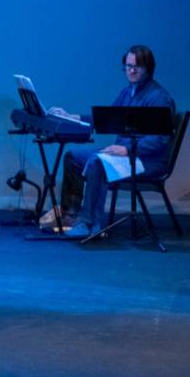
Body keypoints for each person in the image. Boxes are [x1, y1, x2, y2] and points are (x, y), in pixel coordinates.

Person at [52, 45, 176, 237]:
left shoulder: (159, 97)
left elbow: (160, 138)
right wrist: (71, 116)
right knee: (73, 157)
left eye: (137, 66)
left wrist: (128, 151)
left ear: (149, 68)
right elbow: (105, 120)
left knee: (97, 162)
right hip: (124, 155)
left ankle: (90, 224)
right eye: (128, 66)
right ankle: (71, 216)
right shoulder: (128, 93)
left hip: (147, 160)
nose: (132, 70)